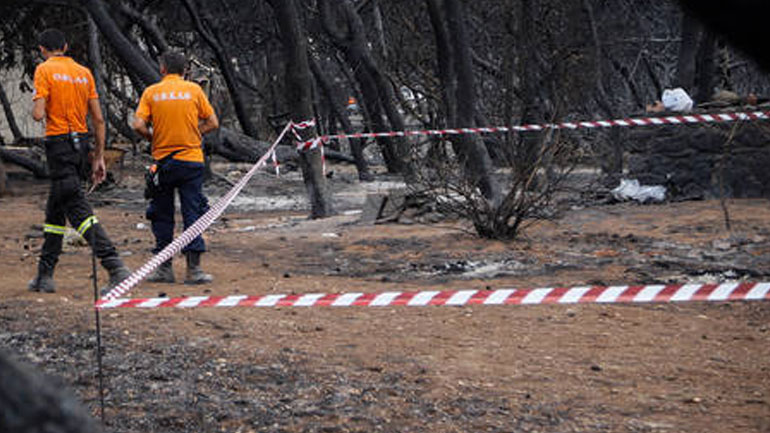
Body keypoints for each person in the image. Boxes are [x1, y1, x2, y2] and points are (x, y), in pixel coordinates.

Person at [28, 28, 130, 294]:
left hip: (59, 146)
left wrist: (38, 103)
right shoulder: (83, 73)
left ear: (42, 50)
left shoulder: (44, 70)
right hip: (80, 145)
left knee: (76, 208)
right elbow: (98, 119)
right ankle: (44, 275)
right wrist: (98, 156)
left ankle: (114, 265)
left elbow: (38, 115)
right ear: (65, 45)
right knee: (55, 211)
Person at [132, 51, 219, 284]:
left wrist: (153, 138)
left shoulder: (151, 93)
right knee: (193, 212)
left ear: (162, 69)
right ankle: (194, 270)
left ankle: (164, 269)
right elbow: (213, 122)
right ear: (185, 71)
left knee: (162, 214)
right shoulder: (194, 91)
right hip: (191, 160)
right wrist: (193, 134)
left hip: (164, 162)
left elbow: (138, 124)